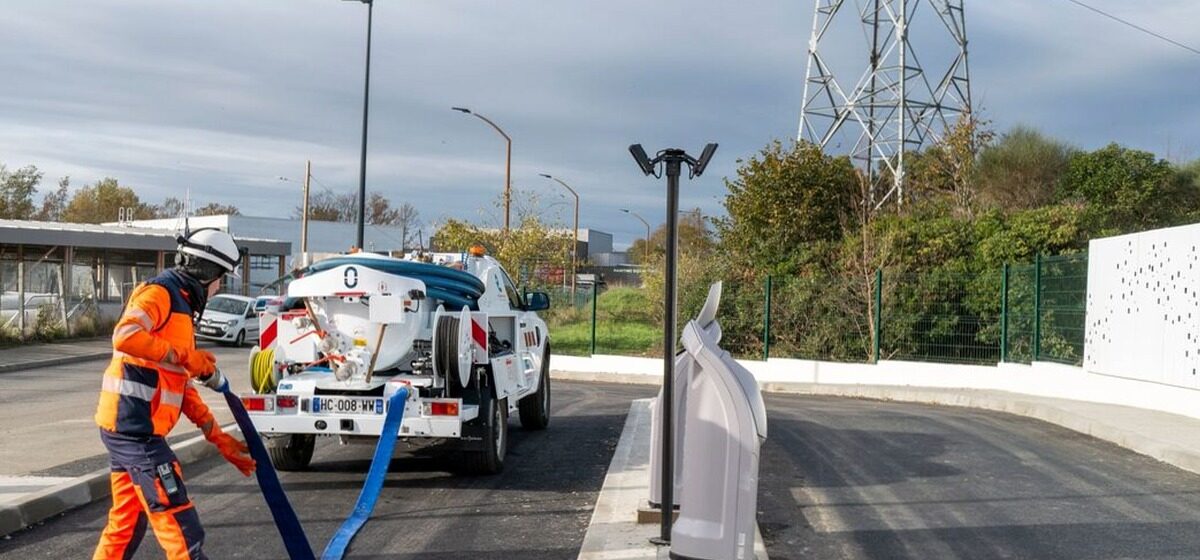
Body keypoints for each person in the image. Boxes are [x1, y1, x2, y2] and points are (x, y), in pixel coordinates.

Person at [93, 228, 256, 560]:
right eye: (220, 277)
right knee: (181, 526)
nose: (219, 286)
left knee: (126, 523)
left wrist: (218, 436)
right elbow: (124, 336)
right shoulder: (160, 294)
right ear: (206, 270)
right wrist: (185, 356)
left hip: (131, 429)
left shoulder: (181, 306)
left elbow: (179, 383)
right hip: (135, 429)